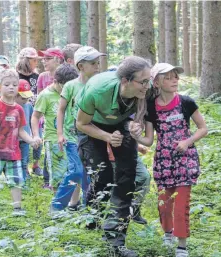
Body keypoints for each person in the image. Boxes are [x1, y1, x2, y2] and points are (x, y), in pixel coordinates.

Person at [76, 56, 152, 257]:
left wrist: (135, 126)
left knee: (126, 179)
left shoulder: (145, 89)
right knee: (103, 176)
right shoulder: (97, 91)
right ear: (125, 81)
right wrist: (107, 137)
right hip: (91, 125)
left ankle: (116, 242)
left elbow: (141, 114)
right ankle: (93, 219)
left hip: (120, 122)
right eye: (143, 81)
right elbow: (81, 123)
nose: (147, 85)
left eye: (148, 80)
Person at [130, 63, 208, 257]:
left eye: (176, 77)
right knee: (164, 203)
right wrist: (135, 135)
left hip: (185, 160)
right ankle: (168, 234)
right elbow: (149, 140)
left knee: (182, 203)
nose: (175, 80)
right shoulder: (151, 107)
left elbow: (202, 128)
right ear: (156, 82)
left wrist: (187, 142)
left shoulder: (186, 102)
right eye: (169, 77)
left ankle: (182, 246)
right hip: (163, 160)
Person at [53, 46, 105, 212]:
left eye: (98, 62)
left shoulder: (100, 85)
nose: (97, 66)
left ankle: (84, 207)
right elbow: (61, 110)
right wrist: (60, 134)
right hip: (71, 137)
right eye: (93, 63)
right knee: (75, 171)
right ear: (81, 66)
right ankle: (57, 207)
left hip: (91, 137)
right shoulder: (70, 86)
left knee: (89, 173)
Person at [0, 69, 41, 216]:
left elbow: (21, 131)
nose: (11, 87)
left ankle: (17, 208)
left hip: (14, 153)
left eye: (14, 85)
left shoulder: (19, 109)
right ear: (0, 87)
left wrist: (31, 140)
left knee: (16, 180)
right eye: (7, 84)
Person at [31, 64, 78, 191]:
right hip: (53, 140)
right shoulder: (45, 95)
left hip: (73, 138)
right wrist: (36, 135)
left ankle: (71, 203)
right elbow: (35, 117)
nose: (67, 90)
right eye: (64, 87)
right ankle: (58, 205)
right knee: (58, 176)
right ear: (55, 81)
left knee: (73, 172)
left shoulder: (74, 92)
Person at [107, 143, 151, 225]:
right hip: (111, 155)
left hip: (130, 153)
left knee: (144, 177)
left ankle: (134, 208)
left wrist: (136, 145)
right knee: (117, 185)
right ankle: (116, 216)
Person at [16, 47, 43, 176]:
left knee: (39, 136)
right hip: (21, 110)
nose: (36, 63)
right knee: (24, 138)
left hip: (35, 110)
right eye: (33, 60)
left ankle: (36, 165)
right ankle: (24, 167)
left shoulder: (37, 76)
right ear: (26, 61)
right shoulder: (15, 75)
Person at [15, 79, 34, 181]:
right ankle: (14, 178)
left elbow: (32, 121)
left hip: (25, 139)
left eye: (27, 97)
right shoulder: (11, 106)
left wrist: (35, 135)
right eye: (23, 98)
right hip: (13, 140)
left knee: (24, 161)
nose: (26, 100)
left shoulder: (29, 106)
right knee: (14, 160)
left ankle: (23, 180)